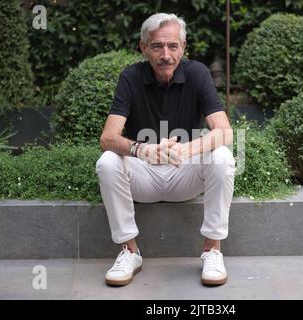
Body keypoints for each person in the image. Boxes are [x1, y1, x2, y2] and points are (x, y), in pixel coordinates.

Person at [95, 12, 235, 287]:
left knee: (223, 156)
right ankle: (129, 252)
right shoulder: (131, 77)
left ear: (183, 47)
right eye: (157, 46)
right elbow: (108, 138)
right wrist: (143, 150)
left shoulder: (197, 73)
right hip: (142, 176)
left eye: (173, 46)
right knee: (108, 162)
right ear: (143, 47)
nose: (166, 54)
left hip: (184, 174)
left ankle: (212, 251)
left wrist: (187, 150)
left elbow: (225, 131)